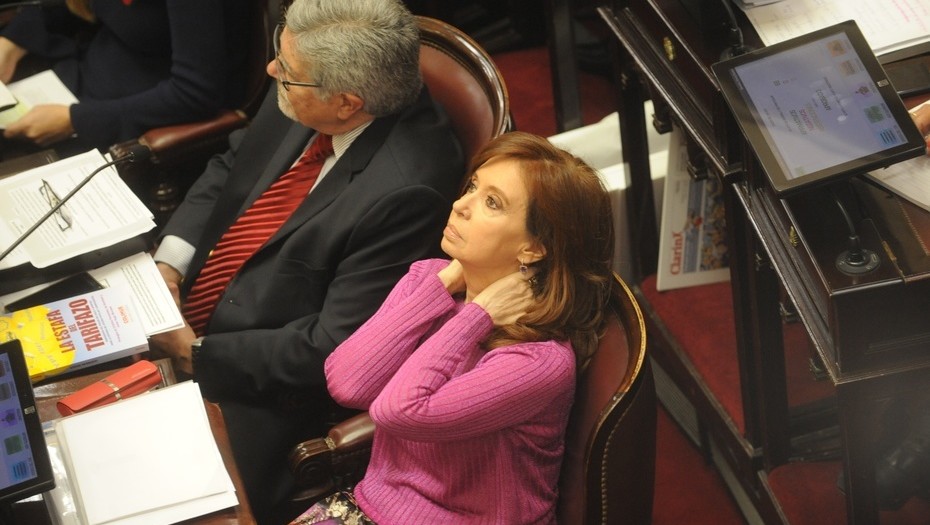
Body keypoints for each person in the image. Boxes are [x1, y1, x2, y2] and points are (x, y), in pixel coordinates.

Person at [146, 0, 465, 522]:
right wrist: (170, 264)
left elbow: (332, 345)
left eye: (286, 72)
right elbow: (231, 168)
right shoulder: (304, 88)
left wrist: (197, 354)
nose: (272, 70)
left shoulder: (408, 189)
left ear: (346, 104)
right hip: (184, 301)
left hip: (262, 387)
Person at [291, 131, 622, 524]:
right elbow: (347, 382)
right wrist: (446, 286)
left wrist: (473, 317)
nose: (460, 205)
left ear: (533, 248)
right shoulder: (428, 281)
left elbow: (399, 411)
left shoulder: (539, 360)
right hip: (370, 507)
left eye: (491, 203)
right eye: (473, 187)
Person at [0, 0, 248, 151]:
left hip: (128, 125)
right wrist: (11, 43)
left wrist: (76, 121)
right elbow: (74, 8)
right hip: (72, 82)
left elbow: (195, 93)